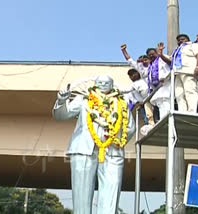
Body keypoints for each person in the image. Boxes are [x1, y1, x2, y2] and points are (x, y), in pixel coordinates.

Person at [52, 75, 135, 214]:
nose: (103, 84)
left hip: (113, 151)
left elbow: (130, 127)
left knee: (111, 194)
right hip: (84, 150)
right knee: (81, 195)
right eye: (100, 82)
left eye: (106, 82)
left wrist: (118, 140)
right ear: (95, 84)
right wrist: (62, 100)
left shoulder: (122, 103)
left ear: (112, 85)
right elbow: (61, 115)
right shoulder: (84, 100)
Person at [164, 34, 198, 113]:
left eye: (183, 39)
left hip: (189, 71)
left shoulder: (193, 45)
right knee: (179, 93)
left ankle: (192, 111)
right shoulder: (176, 50)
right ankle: (182, 111)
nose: (180, 41)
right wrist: (160, 54)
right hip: (178, 73)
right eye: (179, 40)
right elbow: (170, 61)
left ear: (188, 39)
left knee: (190, 91)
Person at [125, 68, 155, 135]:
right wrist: (138, 102)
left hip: (149, 100)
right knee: (146, 116)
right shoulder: (132, 85)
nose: (133, 76)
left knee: (152, 115)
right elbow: (131, 97)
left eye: (134, 74)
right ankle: (149, 128)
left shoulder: (145, 81)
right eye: (131, 76)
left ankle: (153, 125)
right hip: (142, 104)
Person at [146, 45, 171, 119]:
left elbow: (170, 63)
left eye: (153, 54)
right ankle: (162, 119)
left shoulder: (162, 58)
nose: (151, 56)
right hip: (156, 88)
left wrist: (161, 54)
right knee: (159, 103)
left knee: (165, 103)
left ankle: (166, 119)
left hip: (165, 85)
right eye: (149, 55)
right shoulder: (150, 65)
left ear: (156, 53)